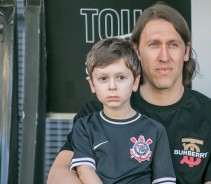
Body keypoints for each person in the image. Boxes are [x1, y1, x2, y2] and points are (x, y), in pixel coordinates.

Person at [47, 2, 211, 184]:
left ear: (186, 51)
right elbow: (58, 176)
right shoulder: (96, 112)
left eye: (173, 44)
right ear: (136, 51)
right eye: (154, 44)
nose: (164, 57)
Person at [69, 37, 176, 184]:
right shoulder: (84, 127)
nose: (112, 86)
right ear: (92, 84)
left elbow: (164, 181)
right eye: (103, 78)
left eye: (120, 77)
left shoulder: (155, 130)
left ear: (135, 82)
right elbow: (85, 170)